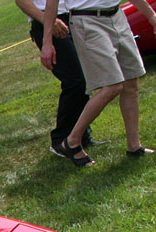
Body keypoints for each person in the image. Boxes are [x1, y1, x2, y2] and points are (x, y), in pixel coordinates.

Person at [40, 0, 156, 166]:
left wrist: (152, 16)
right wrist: (47, 42)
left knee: (130, 84)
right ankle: (71, 141)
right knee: (113, 86)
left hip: (117, 16)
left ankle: (134, 147)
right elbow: (52, 3)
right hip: (87, 21)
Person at [16, 0, 102, 156]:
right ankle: (60, 139)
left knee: (81, 79)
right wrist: (47, 20)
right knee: (74, 80)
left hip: (73, 18)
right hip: (49, 23)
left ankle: (82, 136)